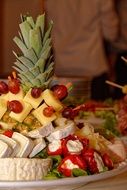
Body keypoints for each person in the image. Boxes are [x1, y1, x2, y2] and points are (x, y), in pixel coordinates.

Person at [44, 0, 119, 100]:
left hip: (61, 70)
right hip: (93, 69)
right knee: (98, 114)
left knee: (62, 114)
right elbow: (111, 34)